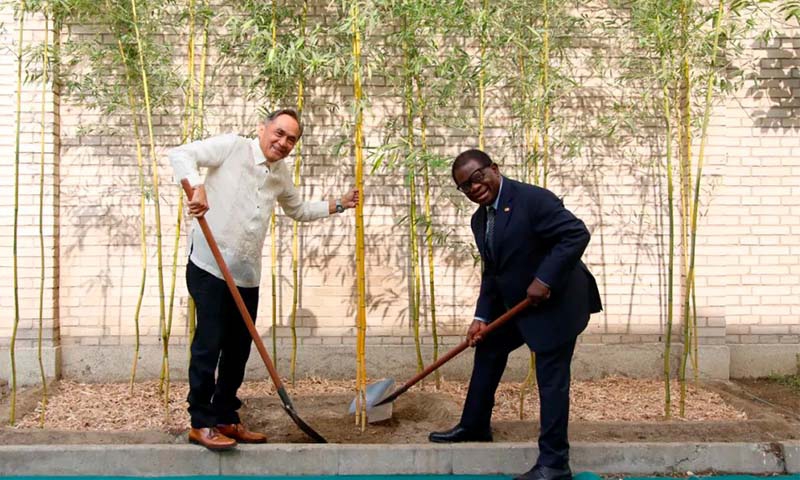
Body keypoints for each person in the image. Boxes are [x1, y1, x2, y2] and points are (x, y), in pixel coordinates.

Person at [169, 108, 358, 451]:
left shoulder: (280, 174)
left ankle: (226, 416)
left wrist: (339, 205)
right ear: (263, 128)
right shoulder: (232, 147)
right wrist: (196, 188)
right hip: (210, 266)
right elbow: (181, 154)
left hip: (246, 274)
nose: (283, 142)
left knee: (238, 350)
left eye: (291, 139)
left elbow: (298, 210)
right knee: (208, 345)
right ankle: (201, 423)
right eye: (279, 133)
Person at [429, 149, 601, 480]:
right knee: (489, 347)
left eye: (477, 177)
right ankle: (475, 425)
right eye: (465, 186)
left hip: (559, 304)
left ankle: (554, 463)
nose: (474, 187)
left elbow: (576, 234)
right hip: (521, 305)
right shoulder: (480, 220)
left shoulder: (532, 199)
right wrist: (482, 316)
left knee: (551, 381)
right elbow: (493, 272)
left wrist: (545, 278)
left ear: (494, 168)